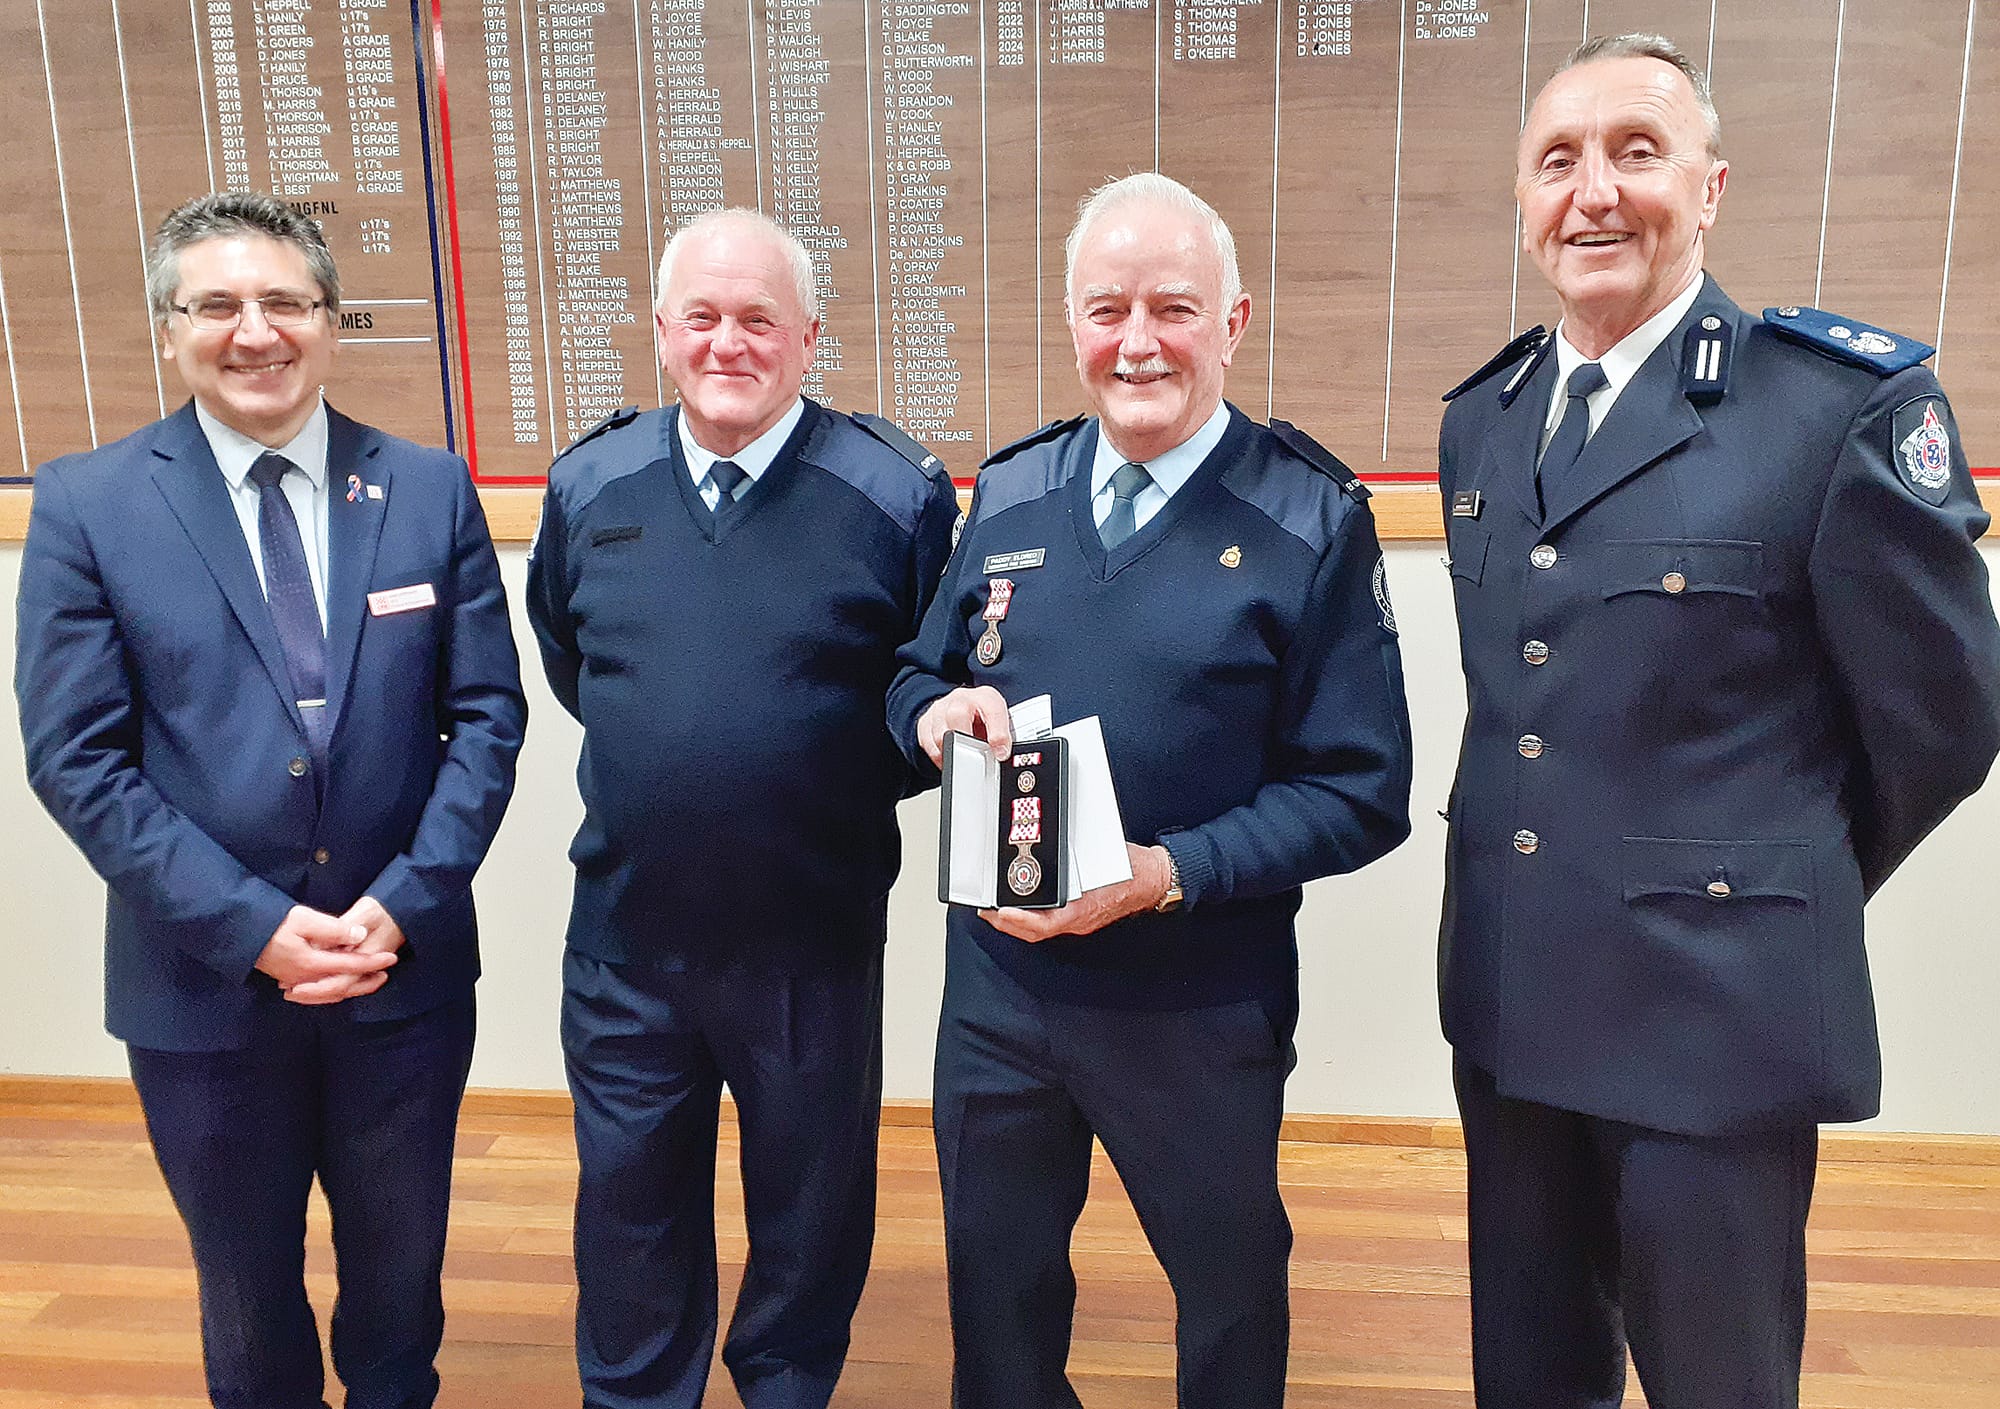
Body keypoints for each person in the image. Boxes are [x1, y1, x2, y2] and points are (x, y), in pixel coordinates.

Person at [1435, 33, 2000, 1408]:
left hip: (1711, 1011)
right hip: (1514, 1004)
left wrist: (1767, 874)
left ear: (1712, 186)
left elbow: (1947, 714)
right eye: (1557, 161)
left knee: (1720, 1381)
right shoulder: (1487, 421)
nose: (1595, 193)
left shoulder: (1832, 407)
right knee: (1530, 1376)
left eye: (1638, 153)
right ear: (1524, 201)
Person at [887, 172, 1413, 1409]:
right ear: (1071, 323)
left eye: (1172, 307)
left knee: (1227, 1288)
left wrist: (1166, 872)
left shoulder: (1309, 518)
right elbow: (920, 662)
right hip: (999, 992)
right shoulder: (1009, 492)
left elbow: (1361, 789)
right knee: (996, 1294)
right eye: (1105, 308)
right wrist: (927, 711)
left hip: (1197, 1000)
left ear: (1231, 323)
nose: (1136, 341)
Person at [14, 191, 526, 1409]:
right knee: (245, 1294)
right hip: (201, 989)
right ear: (168, 326)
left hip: (401, 972)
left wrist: (401, 902)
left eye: (286, 301)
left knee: (400, 1282)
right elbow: (76, 757)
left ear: (330, 320)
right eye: (218, 304)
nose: (256, 331)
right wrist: (251, 926)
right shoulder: (90, 506)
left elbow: (487, 721)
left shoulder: (428, 487)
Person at [526, 207, 959, 1409]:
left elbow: (927, 695)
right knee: (627, 1210)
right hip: (626, 941)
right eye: (703, 316)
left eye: (759, 318)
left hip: (807, 944)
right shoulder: (588, 482)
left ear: (808, 336)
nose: (730, 342)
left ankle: (785, 1383)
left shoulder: (894, 492)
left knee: (810, 1212)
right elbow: (574, 663)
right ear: (661, 330)